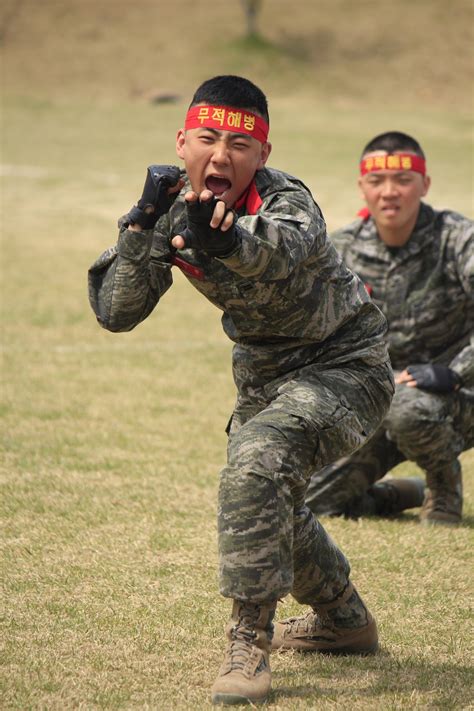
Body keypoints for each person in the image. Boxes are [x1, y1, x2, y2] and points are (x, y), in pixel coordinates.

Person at [88, 76, 394, 706]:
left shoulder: (289, 202)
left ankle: (248, 640)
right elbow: (118, 311)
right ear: (181, 141)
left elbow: (278, 255)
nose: (220, 156)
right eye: (207, 139)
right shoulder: (171, 209)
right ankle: (343, 618)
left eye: (239, 143)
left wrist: (224, 239)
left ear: (263, 155)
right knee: (267, 488)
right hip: (265, 378)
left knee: (255, 464)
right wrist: (143, 222)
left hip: (347, 365)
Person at [306, 131, 474, 526]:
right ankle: (399, 494)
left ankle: (444, 492)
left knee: (407, 409)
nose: (389, 192)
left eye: (402, 180)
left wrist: (455, 372)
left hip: (460, 394)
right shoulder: (342, 249)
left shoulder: (457, 238)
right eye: (377, 181)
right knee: (310, 501)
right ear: (362, 187)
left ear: (425, 185)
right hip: (381, 399)